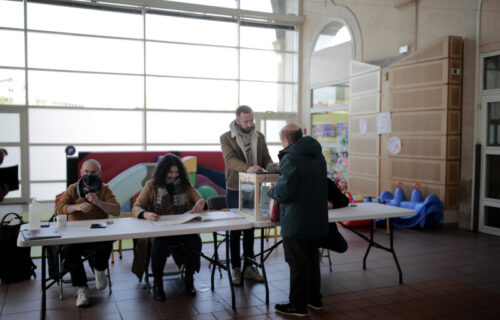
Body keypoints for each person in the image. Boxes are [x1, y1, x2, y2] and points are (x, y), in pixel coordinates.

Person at [268, 124, 329, 317]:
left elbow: (285, 192)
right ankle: (314, 299)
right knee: (311, 261)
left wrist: (272, 189)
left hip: (296, 220)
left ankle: (297, 305)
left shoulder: (291, 157)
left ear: (286, 140)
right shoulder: (317, 155)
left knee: (297, 264)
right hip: (316, 218)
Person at [132, 154, 205, 301]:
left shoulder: (186, 185)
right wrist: (145, 214)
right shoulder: (151, 185)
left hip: (183, 229)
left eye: (177, 172)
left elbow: (200, 201)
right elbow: (136, 207)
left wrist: (202, 202)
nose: (173, 175)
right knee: (159, 245)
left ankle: (189, 280)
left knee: (195, 241)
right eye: (170, 172)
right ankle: (158, 284)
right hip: (160, 230)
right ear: (163, 171)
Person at [54, 159, 120, 307]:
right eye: (86, 172)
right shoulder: (72, 189)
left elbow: (116, 210)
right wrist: (74, 208)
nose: (89, 175)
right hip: (76, 233)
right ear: (81, 172)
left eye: (93, 172)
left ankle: (99, 269)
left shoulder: (105, 189)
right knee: (68, 249)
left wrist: (98, 202)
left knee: (108, 241)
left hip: (99, 232)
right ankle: (82, 288)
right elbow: (58, 209)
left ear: (99, 173)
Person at [220, 105, 273, 285]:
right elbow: (230, 160)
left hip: (255, 186)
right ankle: (235, 267)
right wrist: (247, 168)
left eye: (251, 120)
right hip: (235, 187)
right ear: (237, 120)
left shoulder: (260, 136)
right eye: (246, 121)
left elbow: (265, 157)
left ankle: (249, 266)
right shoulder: (226, 138)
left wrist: (272, 166)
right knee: (235, 229)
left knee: (250, 228)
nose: (250, 124)